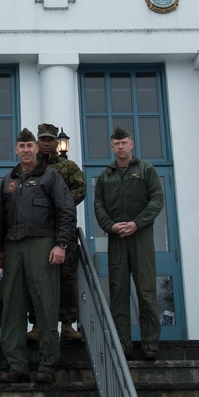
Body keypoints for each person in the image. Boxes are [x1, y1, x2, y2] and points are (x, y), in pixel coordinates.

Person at [0, 128, 75, 385]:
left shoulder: (51, 176)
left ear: (36, 149)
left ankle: (48, 364)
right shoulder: (8, 179)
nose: (26, 150)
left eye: (30, 145)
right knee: (12, 306)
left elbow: (66, 211)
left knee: (46, 304)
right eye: (22, 146)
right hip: (12, 246)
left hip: (42, 245)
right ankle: (16, 364)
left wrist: (61, 244)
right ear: (16, 150)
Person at [93, 126, 165, 361]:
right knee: (119, 292)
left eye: (125, 142)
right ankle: (123, 345)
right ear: (112, 146)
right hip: (116, 239)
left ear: (132, 144)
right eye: (117, 143)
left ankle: (150, 344)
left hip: (140, 236)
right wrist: (111, 226)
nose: (121, 146)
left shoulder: (146, 170)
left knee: (146, 291)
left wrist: (137, 223)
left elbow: (156, 200)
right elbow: (99, 207)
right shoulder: (105, 176)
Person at [28, 122, 87, 342]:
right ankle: (35, 324)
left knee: (67, 280)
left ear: (55, 142)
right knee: (35, 279)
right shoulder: (31, 168)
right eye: (42, 140)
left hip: (64, 233)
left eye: (50, 140)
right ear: (37, 142)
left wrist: (59, 203)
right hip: (38, 231)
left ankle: (68, 324)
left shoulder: (68, 167)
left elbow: (81, 189)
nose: (46, 143)